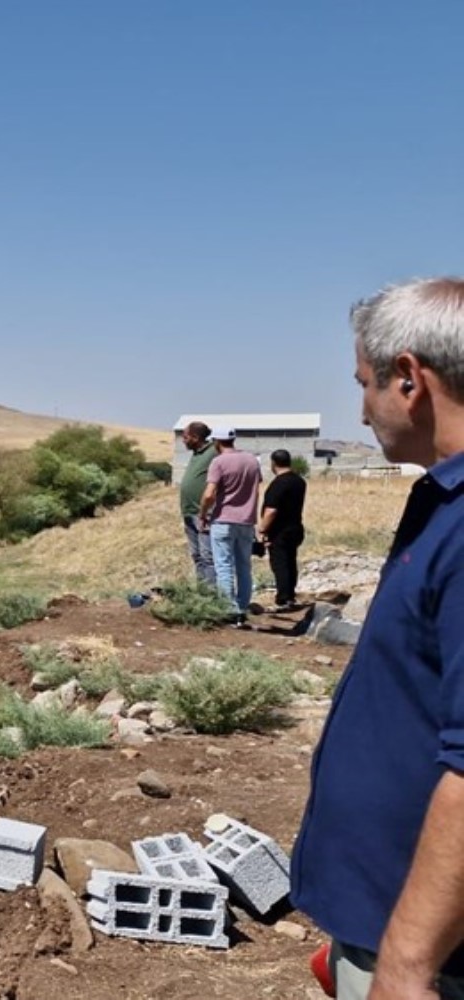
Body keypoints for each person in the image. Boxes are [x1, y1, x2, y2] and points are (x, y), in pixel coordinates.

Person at [292, 277, 464, 999]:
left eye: (364, 384)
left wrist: (406, 963)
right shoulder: (440, 500)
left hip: (427, 954)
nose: (360, 410)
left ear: (408, 378)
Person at [198, 426, 262, 624]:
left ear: (217, 442)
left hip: (224, 520)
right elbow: (256, 488)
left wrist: (203, 514)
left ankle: (230, 609)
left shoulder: (218, 462)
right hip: (247, 521)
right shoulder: (252, 460)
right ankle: (242, 607)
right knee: (244, 566)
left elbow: (210, 493)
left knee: (223, 566)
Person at [259, 449, 307, 611]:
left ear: (273, 463)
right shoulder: (299, 481)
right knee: (290, 561)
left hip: (279, 530)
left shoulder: (278, 484)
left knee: (280, 564)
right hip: (295, 527)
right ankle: (290, 595)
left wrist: (262, 529)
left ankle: (283, 599)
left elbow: (271, 510)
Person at [178, 421, 219, 587]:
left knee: (207, 556)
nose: (183, 440)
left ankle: (210, 595)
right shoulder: (196, 453)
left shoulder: (213, 452)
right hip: (189, 512)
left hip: (203, 514)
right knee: (196, 555)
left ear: (195, 437)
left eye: (185, 437)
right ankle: (201, 591)